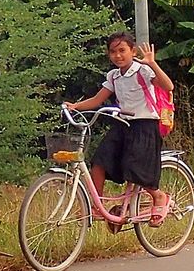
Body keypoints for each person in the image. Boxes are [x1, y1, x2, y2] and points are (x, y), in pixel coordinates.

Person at [64, 31, 174, 227]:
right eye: (113, 52)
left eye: (122, 50)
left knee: (135, 167)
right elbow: (97, 100)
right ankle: (97, 206)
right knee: (99, 161)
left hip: (145, 125)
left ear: (132, 51)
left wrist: (152, 64)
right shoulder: (114, 76)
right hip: (122, 125)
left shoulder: (142, 70)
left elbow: (168, 86)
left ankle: (159, 197)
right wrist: (75, 106)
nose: (118, 56)